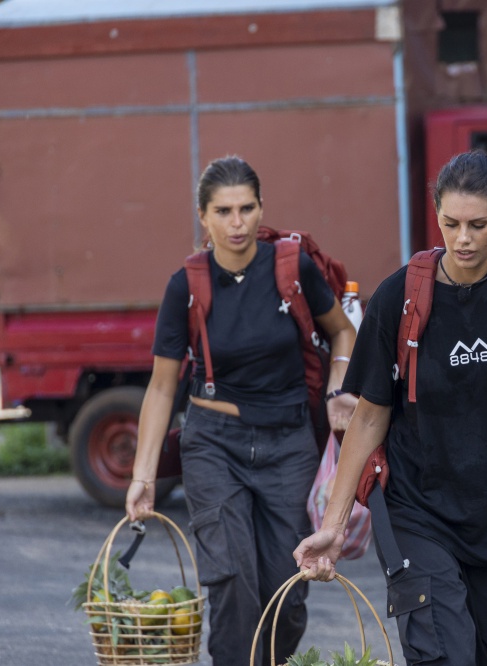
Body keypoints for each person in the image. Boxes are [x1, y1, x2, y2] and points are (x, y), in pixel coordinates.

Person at [293, 150, 487, 665]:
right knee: (441, 655)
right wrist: (335, 523)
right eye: (451, 223)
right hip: (418, 509)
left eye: (479, 224)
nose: (463, 239)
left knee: (481, 653)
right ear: (436, 215)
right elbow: (369, 416)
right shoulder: (400, 298)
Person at [125, 156, 358, 665]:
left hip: (288, 442)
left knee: (288, 589)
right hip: (214, 442)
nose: (237, 223)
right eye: (223, 211)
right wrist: (144, 474)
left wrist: (339, 383)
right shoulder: (186, 285)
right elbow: (163, 387)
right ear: (203, 217)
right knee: (231, 581)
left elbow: (342, 330)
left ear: (261, 209)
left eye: (247, 208)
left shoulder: (289, 267)